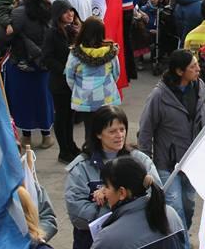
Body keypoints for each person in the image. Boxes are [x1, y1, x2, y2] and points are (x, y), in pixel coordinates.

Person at [137, 49, 205, 231]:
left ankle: (183, 235)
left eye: (197, 64)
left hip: (193, 162)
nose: (198, 69)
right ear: (180, 72)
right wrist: (145, 163)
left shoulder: (201, 88)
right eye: (193, 66)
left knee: (188, 204)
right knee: (175, 207)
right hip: (167, 163)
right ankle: (181, 243)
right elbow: (146, 131)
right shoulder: (159, 96)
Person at [65, 105, 160, 249]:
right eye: (112, 131)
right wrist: (114, 208)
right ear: (98, 134)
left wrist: (110, 197)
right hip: (91, 243)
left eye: (122, 129)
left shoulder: (140, 160)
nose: (119, 135)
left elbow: (156, 194)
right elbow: (77, 213)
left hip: (134, 240)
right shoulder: (81, 167)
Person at [90, 156, 185, 249]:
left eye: (106, 186)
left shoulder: (108, 238)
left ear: (122, 192)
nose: (103, 191)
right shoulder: (171, 214)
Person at [64, 16, 121, 164]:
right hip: (107, 99)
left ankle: (91, 159)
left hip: (85, 100)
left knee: (89, 130)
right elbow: (116, 73)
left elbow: (70, 77)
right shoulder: (111, 52)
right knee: (108, 128)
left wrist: (79, 90)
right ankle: (108, 158)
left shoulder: (75, 53)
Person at [6, 0, 55, 149]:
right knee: (44, 99)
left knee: (23, 100)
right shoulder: (50, 12)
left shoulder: (18, 12)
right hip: (44, 64)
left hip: (22, 63)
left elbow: (9, 36)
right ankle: (46, 135)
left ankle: (26, 136)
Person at [42, 0, 82, 163]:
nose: (70, 14)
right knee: (62, 116)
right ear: (58, 14)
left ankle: (70, 145)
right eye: (66, 11)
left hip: (72, 82)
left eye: (71, 10)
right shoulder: (52, 33)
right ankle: (64, 150)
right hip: (59, 82)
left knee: (70, 116)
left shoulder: (72, 30)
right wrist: (65, 70)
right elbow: (47, 58)